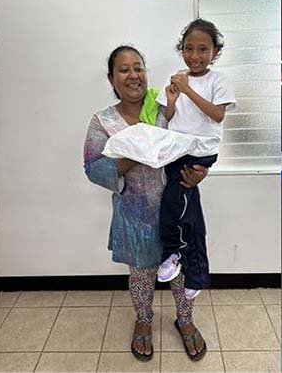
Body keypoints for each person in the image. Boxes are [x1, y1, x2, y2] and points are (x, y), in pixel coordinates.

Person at [84, 45, 210, 362]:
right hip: (135, 217)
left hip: (179, 210)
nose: (133, 75)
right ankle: (143, 320)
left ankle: (185, 319)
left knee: (182, 272)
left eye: (138, 67)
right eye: (124, 69)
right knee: (141, 276)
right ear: (112, 79)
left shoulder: (168, 109)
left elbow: (194, 146)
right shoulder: (103, 122)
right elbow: (93, 168)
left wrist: (199, 173)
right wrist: (136, 154)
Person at [155, 19, 236, 299]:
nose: (195, 56)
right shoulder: (178, 76)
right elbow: (168, 118)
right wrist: (172, 99)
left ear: (215, 51)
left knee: (171, 203)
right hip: (177, 150)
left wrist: (188, 90)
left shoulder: (218, 80)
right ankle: (196, 275)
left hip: (199, 151)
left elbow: (218, 115)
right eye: (189, 48)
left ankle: (172, 254)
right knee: (187, 212)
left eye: (203, 49)